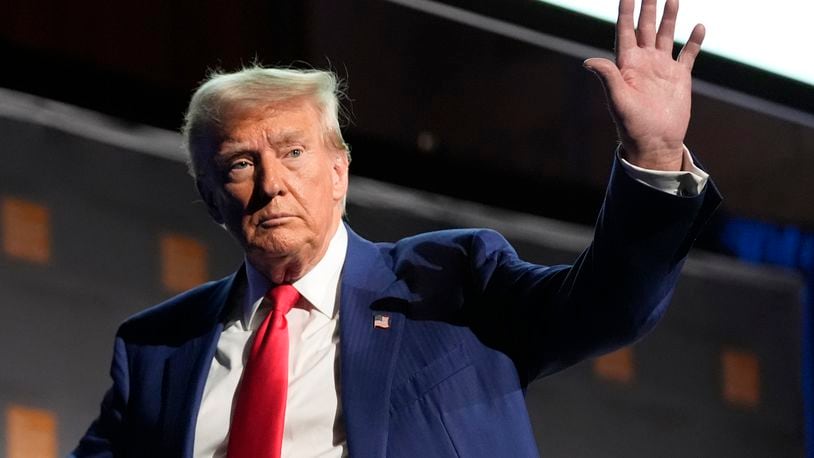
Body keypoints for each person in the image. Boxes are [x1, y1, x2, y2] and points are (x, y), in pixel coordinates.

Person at [72, 0, 721, 456]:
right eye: (242, 164)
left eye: (294, 153)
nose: (272, 184)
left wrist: (655, 156)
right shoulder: (157, 350)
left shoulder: (449, 284)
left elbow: (606, 309)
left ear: (338, 172)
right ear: (210, 197)